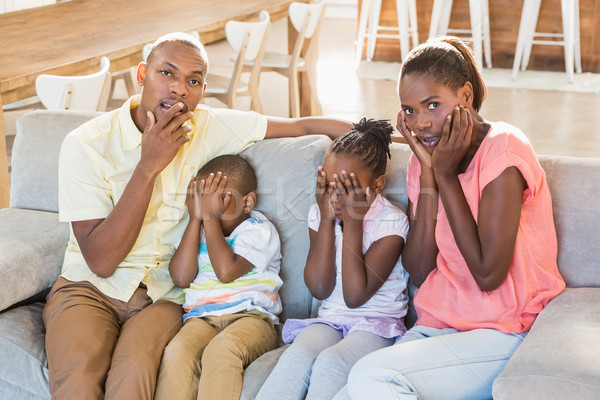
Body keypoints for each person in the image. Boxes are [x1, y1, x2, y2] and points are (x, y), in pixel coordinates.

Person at [42, 32, 352, 400]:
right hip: (88, 289)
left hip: (162, 298)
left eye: (192, 81)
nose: (179, 89)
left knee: (133, 379)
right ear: (142, 75)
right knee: (77, 382)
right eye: (166, 74)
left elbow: (302, 127)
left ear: (203, 89)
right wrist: (149, 165)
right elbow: (101, 261)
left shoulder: (209, 126)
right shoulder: (86, 143)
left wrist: (394, 139)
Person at [342, 37, 566, 400]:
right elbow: (419, 269)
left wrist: (446, 176)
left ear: (465, 96)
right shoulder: (423, 163)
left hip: (505, 328)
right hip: (438, 326)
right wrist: (430, 174)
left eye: (433, 105)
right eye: (410, 111)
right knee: (346, 393)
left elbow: (488, 274)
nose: (422, 123)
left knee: (372, 376)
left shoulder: (504, 148)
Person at [256, 118, 410, 400]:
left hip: (377, 324)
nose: (335, 197)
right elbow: (319, 288)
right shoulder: (321, 212)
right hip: (330, 320)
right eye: (328, 184)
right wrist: (326, 221)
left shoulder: (391, 222)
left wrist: (353, 225)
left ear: (377, 186)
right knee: (296, 357)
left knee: (331, 362)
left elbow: (355, 295)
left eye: (347, 188)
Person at [153, 154, 282, 400]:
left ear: (248, 202)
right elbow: (181, 278)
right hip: (202, 319)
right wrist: (195, 219)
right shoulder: (199, 232)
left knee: (222, 350)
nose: (210, 206)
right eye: (204, 198)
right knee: (177, 351)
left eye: (219, 198)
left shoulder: (259, 230)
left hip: (252, 318)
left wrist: (209, 218)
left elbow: (226, 272)